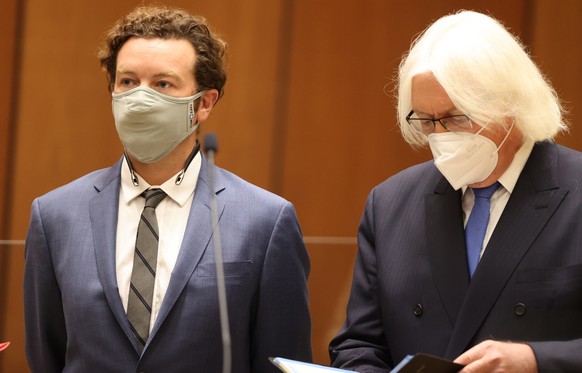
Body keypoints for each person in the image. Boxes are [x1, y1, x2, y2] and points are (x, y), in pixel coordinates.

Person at [24, 5, 311, 372]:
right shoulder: (55, 216)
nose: (140, 99)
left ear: (204, 103)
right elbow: (46, 355)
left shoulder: (265, 221)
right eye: (127, 82)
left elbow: (281, 362)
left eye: (163, 84)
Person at [329, 10, 582, 373]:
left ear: (511, 104)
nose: (442, 135)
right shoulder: (390, 204)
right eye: (428, 121)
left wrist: (535, 360)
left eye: (456, 117)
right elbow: (360, 343)